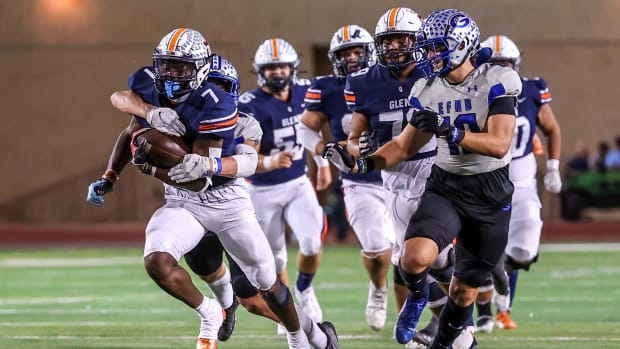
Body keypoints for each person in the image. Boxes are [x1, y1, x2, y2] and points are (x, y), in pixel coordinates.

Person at [88, 28, 339, 349]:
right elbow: (123, 103)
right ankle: (211, 311)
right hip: (182, 201)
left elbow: (200, 177)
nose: (172, 74)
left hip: (225, 201)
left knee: (266, 283)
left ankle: (307, 336)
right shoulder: (156, 85)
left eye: (226, 88)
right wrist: (146, 118)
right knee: (157, 261)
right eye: (168, 65)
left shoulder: (231, 114)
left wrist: (151, 166)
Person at [324, 8, 522, 349]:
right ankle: (417, 296)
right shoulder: (428, 89)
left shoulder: (497, 80)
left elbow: (500, 145)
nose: (429, 56)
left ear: (460, 45)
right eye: (428, 48)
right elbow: (401, 148)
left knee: (462, 292)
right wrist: (361, 165)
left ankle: (451, 339)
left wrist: (452, 133)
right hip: (445, 184)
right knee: (412, 259)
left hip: (489, 194)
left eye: (436, 48)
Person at [297, 24, 396, 332]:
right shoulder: (326, 87)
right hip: (359, 180)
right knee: (377, 246)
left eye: (357, 51)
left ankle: (416, 322)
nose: (352, 58)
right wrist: (324, 150)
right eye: (345, 53)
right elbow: (305, 128)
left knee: (411, 256)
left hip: (400, 175)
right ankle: (379, 288)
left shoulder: (388, 80)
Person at [238, 38, 332, 327]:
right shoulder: (249, 104)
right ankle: (288, 312)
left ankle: (305, 288)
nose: (278, 72)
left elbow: (317, 124)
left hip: (297, 182)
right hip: (262, 189)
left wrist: (323, 162)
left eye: (282, 67)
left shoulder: (306, 91)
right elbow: (243, 151)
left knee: (311, 242)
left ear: (293, 68)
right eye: (271, 68)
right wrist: (268, 161)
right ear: (260, 71)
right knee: (275, 259)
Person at [472, 34, 563, 331]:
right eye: (495, 64)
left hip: (521, 180)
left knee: (523, 250)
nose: (501, 70)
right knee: (477, 246)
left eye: (506, 64)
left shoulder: (532, 89)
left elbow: (551, 128)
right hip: (485, 178)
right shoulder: (470, 93)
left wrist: (552, 166)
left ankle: (496, 275)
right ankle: (488, 309)